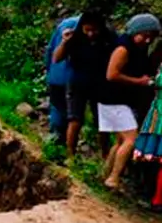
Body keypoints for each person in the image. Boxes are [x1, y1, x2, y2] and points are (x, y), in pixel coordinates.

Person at [101, 14, 161, 192]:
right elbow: (111, 74)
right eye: (145, 34)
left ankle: (105, 174)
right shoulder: (123, 48)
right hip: (114, 100)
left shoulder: (137, 47)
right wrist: (139, 82)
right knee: (131, 140)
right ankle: (113, 178)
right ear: (136, 31)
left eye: (151, 36)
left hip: (119, 101)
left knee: (120, 142)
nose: (148, 39)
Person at [52, 12, 115, 158]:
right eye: (87, 30)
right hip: (77, 82)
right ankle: (70, 155)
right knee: (75, 120)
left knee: (102, 121)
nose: (91, 34)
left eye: (95, 30)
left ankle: (105, 154)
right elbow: (56, 58)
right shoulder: (74, 37)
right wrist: (64, 42)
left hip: (99, 83)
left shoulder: (109, 37)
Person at [46, 16, 79, 145]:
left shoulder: (64, 25)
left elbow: (50, 51)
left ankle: (56, 137)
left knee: (58, 107)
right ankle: (64, 142)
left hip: (55, 75)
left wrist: (48, 70)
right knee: (70, 112)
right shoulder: (85, 29)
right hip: (72, 78)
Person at [134, 62, 162, 211]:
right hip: (156, 115)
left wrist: (151, 81)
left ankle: (153, 197)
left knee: (153, 158)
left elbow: (157, 81)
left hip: (158, 118)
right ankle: (154, 197)